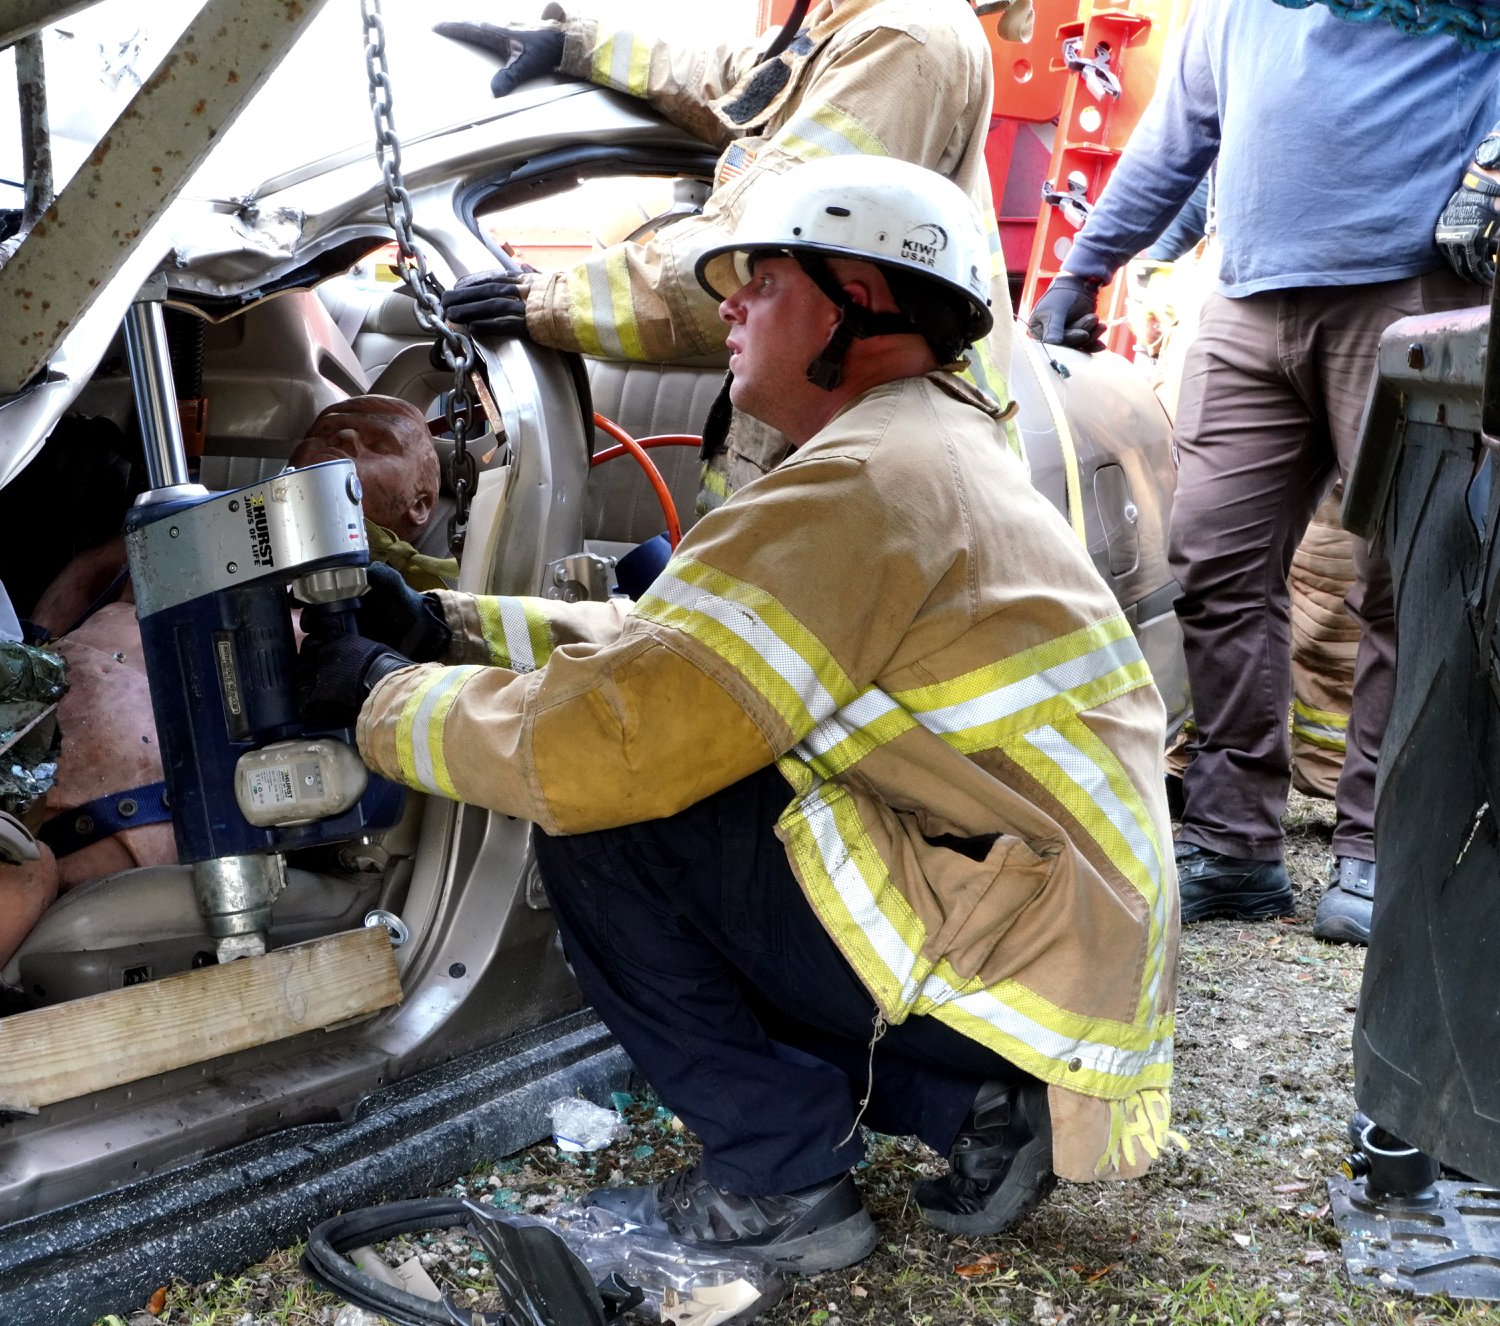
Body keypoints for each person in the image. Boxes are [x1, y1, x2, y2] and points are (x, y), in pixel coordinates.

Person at [303, 156, 1178, 1270]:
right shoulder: (916, 448)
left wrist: (376, 694)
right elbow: (678, 645)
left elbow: (606, 743)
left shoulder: (863, 483)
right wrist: (444, 625)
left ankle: (777, 1181)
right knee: (715, 798)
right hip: (1055, 946)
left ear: (856, 299)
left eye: (760, 281)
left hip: (1024, 948)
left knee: (617, 823)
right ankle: (975, 1106)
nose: (726, 307)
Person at [1026, 2, 1500, 943]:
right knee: (1214, 563)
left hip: (1411, 291)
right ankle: (1234, 844)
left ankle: (1380, 850)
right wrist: (1085, 268)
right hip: (1247, 301)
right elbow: (1178, 134)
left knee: (1407, 583)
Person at [0, 396, 452, 1017]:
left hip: (120, 817)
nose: (345, 443)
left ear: (421, 506)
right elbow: (94, 574)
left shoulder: (406, 613)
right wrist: (34, 642)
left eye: (377, 444)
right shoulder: (207, 530)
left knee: (16, 878)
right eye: (330, 431)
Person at [435, 0, 1029, 516]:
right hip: (840, 433)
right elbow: (744, 88)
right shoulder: (854, 21)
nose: (735, 308)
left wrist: (550, 301)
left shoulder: (906, 38)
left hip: (886, 451)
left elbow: (748, 246)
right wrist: (578, 44)